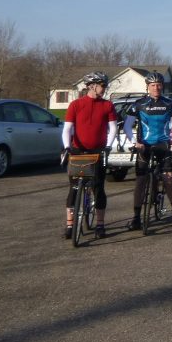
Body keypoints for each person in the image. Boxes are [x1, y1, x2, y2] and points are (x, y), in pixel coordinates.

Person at [61, 71, 118, 239]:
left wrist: (108, 146)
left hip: (97, 151)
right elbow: (67, 128)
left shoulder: (107, 105)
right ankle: (70, 224)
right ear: (92, 86)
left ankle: (100, 224)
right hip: (78, 151)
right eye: (103, 86)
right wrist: (67, 147)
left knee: (98, 188)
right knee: (74, 188)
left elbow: (113, 128)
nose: (104, 89)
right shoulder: (76, 105)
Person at [124, 71, 172, 231]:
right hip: (145, 146)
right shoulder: (139, 104)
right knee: (140, 182)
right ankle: (136, 217)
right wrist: (134, 142)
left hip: (163, 146)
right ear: (147, 87)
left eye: (158, 85)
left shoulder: (169, 104)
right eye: (152, 85)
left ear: (162, 86)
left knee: (169, 178)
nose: (156, 88)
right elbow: (127, 126)